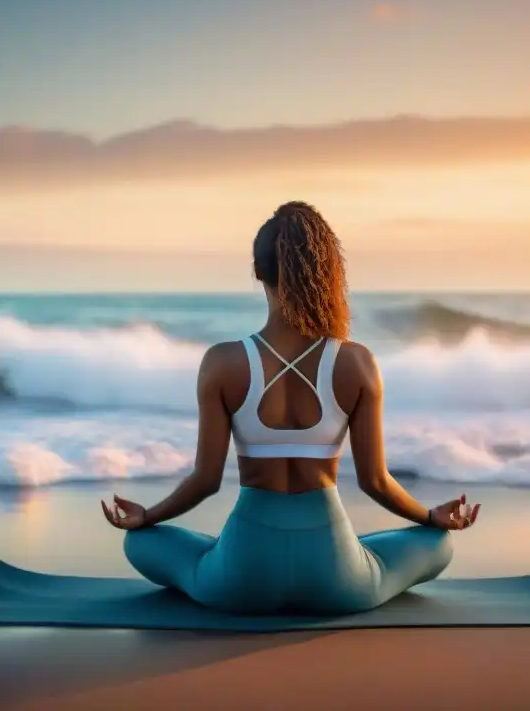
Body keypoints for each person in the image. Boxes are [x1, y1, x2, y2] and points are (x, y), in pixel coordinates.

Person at [101, 201, 481, 615]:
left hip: (242, 581)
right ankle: (338, 553)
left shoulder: (222, 362)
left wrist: (148, 515)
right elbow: (375, 481)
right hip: (337, 581)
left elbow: (206, 481)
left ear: (258, 272)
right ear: (328, 275)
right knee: (437, 543)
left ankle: (228, 554)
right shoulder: (356, 362)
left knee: (140, 540)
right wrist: (429, 516)